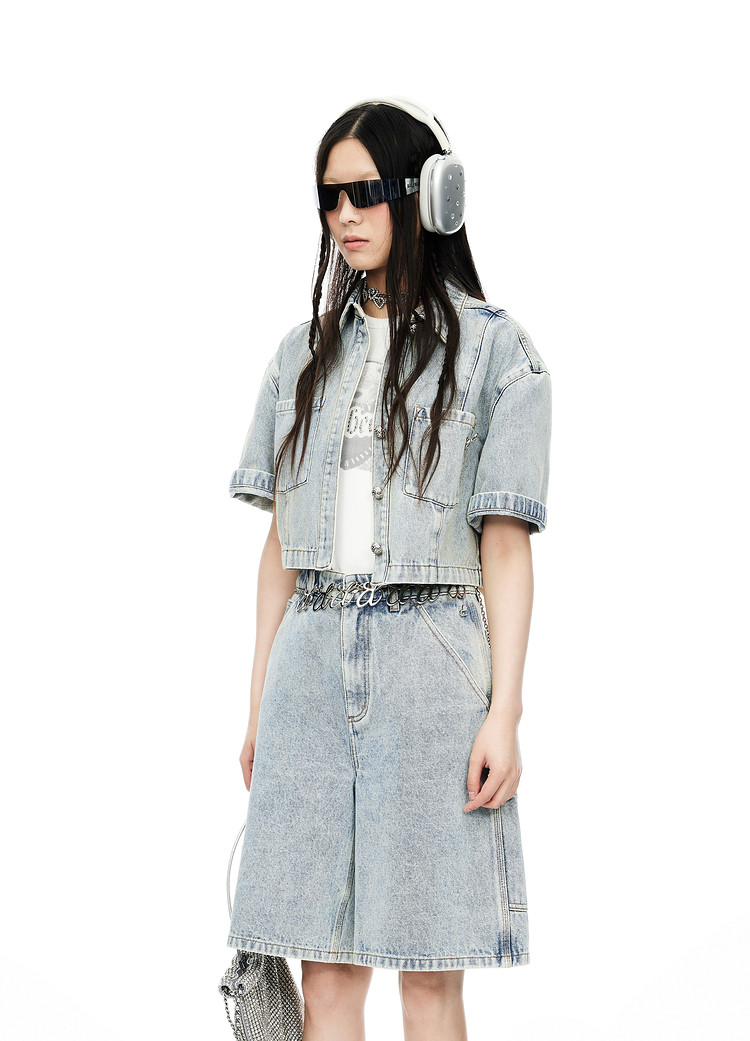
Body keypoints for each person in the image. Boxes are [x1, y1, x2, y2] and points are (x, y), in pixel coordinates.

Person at [226, 96, 552, 1041]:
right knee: (324, 972)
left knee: (428, 973)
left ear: (429, 195)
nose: (345, 216)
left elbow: (505, 545)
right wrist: (259, 700)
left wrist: (504, 711)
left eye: (365, 192)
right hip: (308, 665)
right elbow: (280, 548)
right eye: (330, 198)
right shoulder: (299, 357)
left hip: (431, 665)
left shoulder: (497, 354)